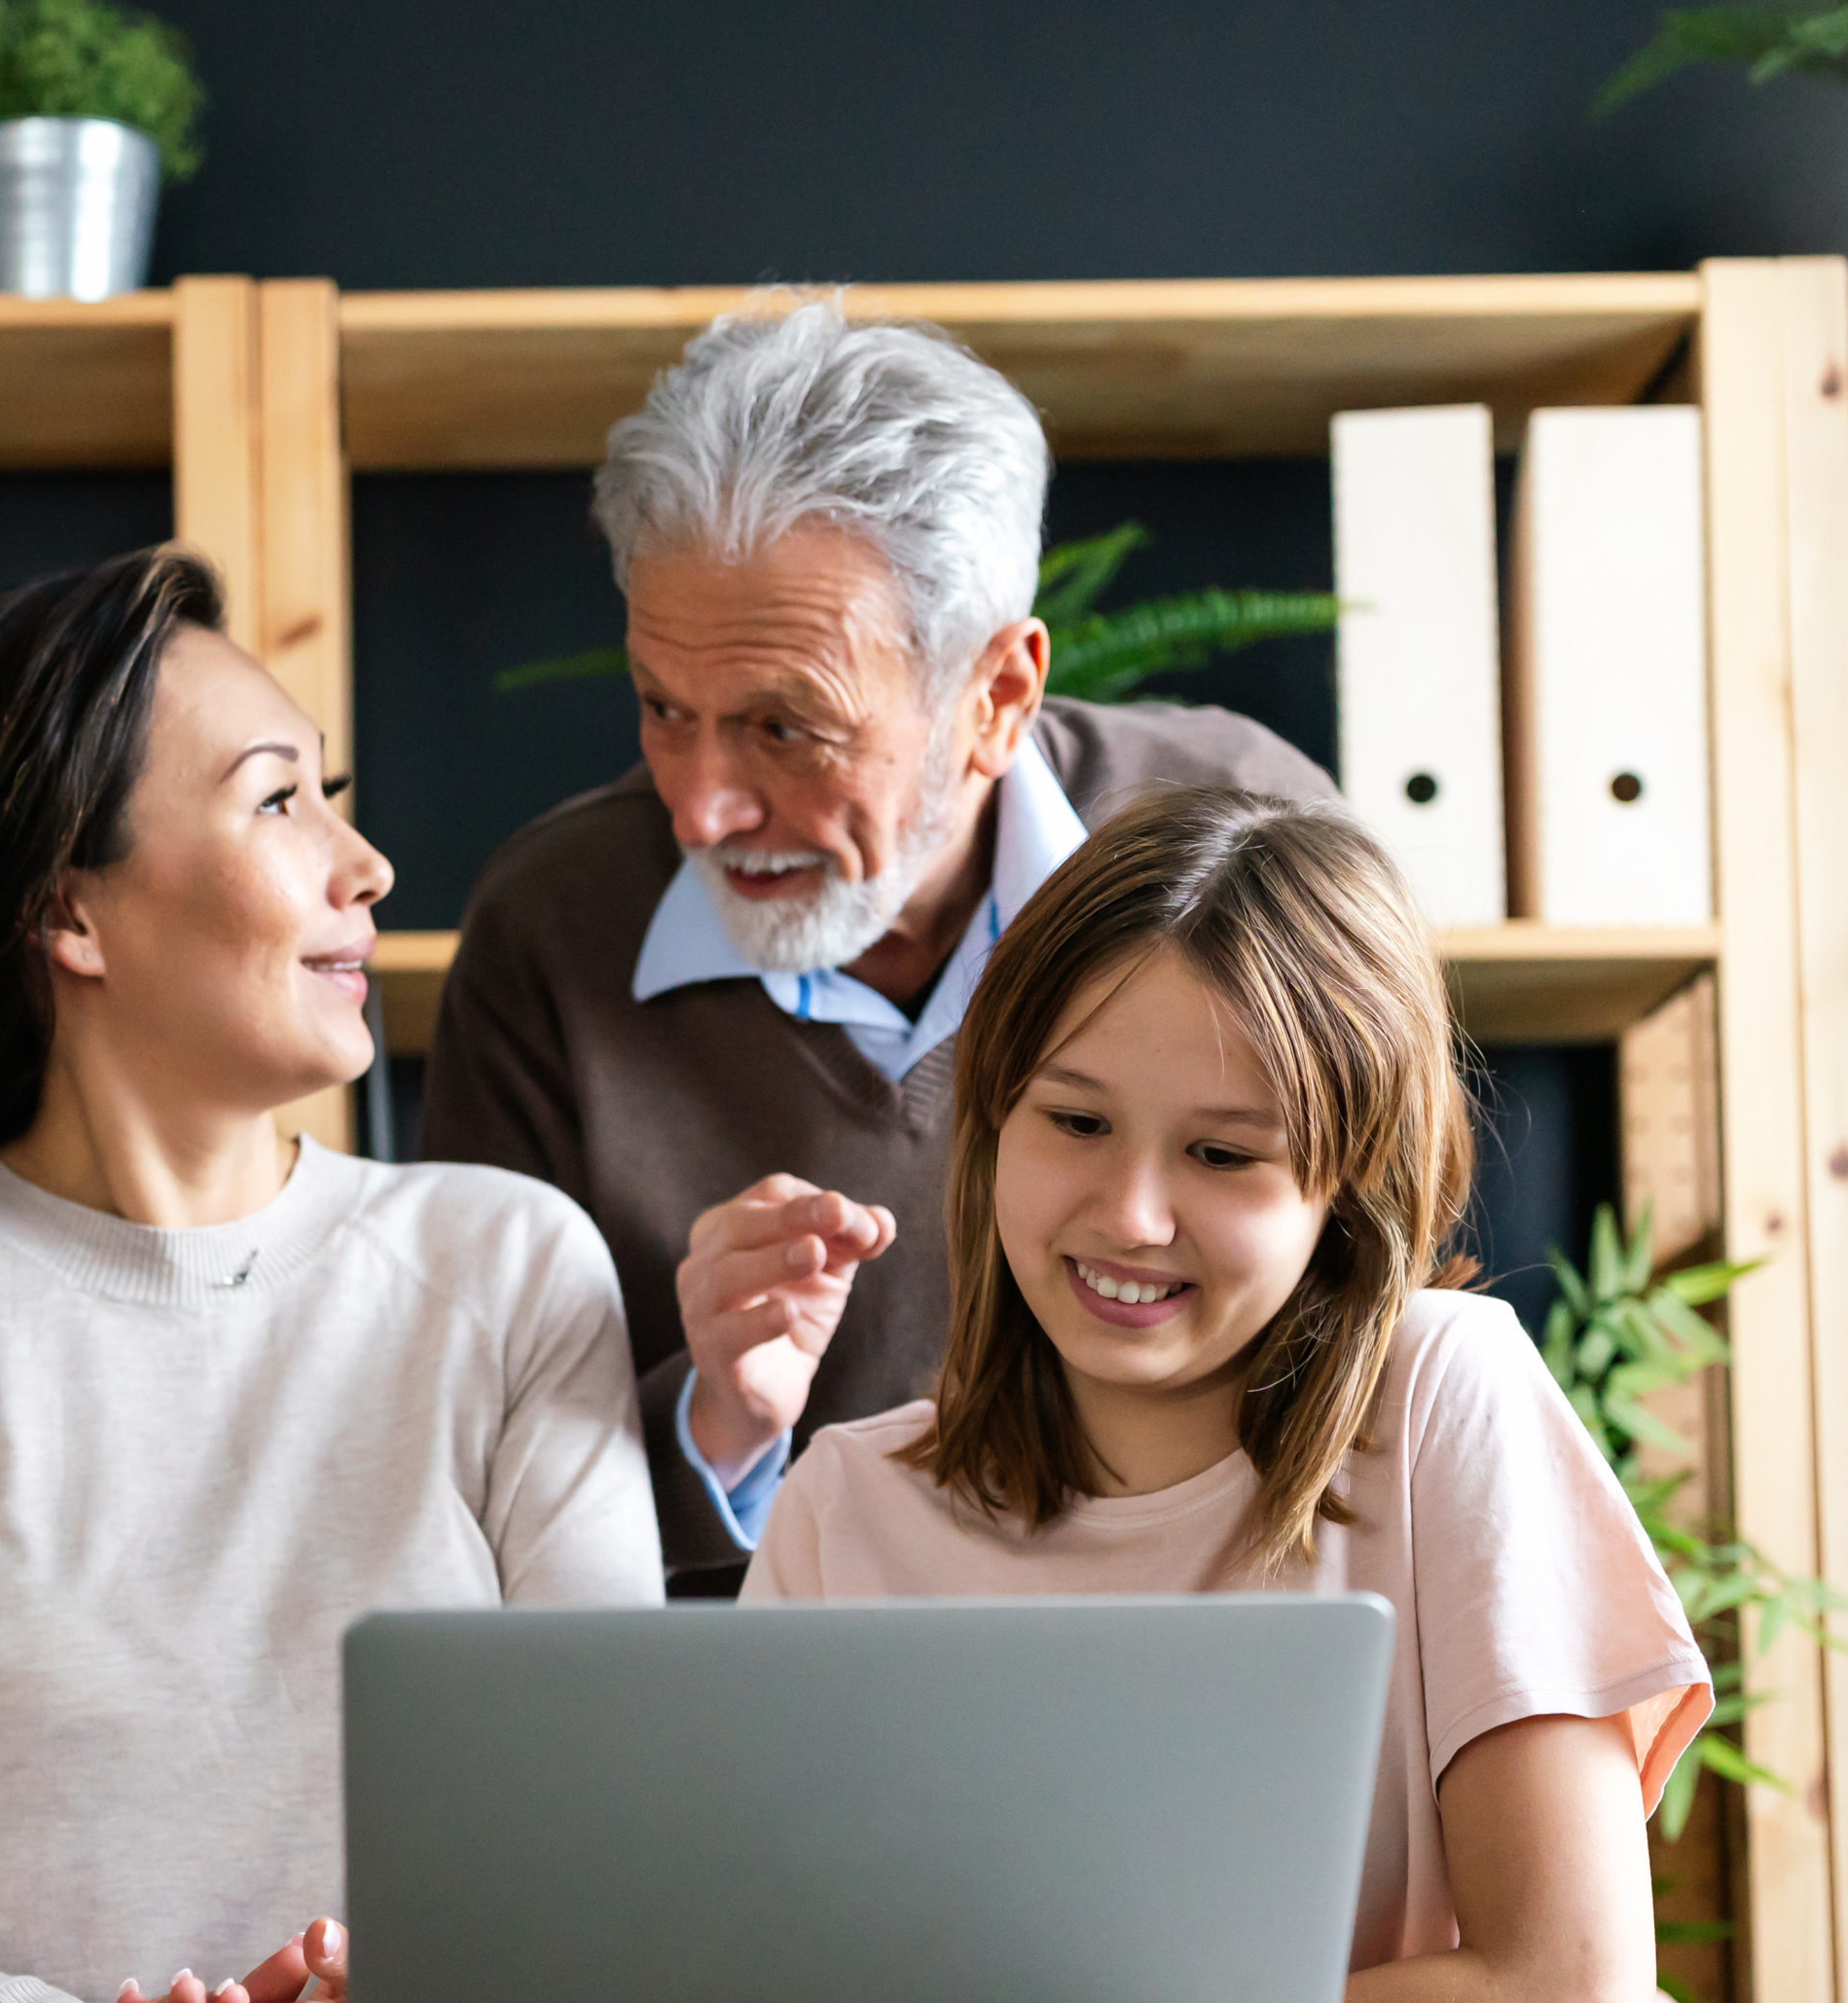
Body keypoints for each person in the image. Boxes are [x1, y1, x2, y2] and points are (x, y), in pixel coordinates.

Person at [0, 550, 659, 2003]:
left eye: (330, 794)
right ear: (72, 914)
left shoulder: (507, 1266)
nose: (367, 865)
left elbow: (608, 1828)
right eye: (281, 799)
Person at [422, 296, 1339, 1590]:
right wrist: (718, 1420)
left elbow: (1385, 1309)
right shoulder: (549, 929)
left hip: (1206, 1644)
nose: (700, 805)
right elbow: (474, 1500)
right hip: (752, 1720)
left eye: (786, 728)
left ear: (998, 696)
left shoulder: (1256, 840)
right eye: (663, 707)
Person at [744, 787, 1711, 1998]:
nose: (1132, 1216)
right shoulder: (844, 1507)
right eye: (1077, 1120)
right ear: (995, 1125)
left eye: (1223, 1154)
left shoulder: (1438, 1396)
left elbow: (1566, 1981)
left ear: (1346, 1186)